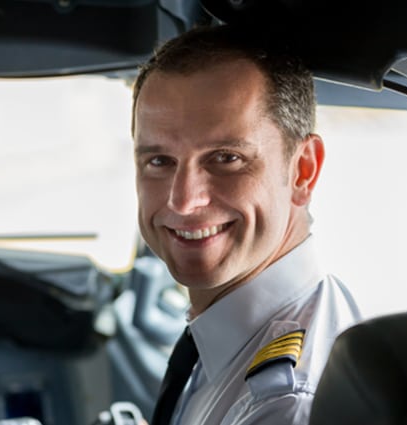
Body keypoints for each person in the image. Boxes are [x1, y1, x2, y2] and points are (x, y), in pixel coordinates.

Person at [131, 25, 361, 425]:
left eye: (225, 158)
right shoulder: (230, 341)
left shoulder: (284, 406)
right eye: (159, 161)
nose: (183, 201)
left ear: (303, 170)